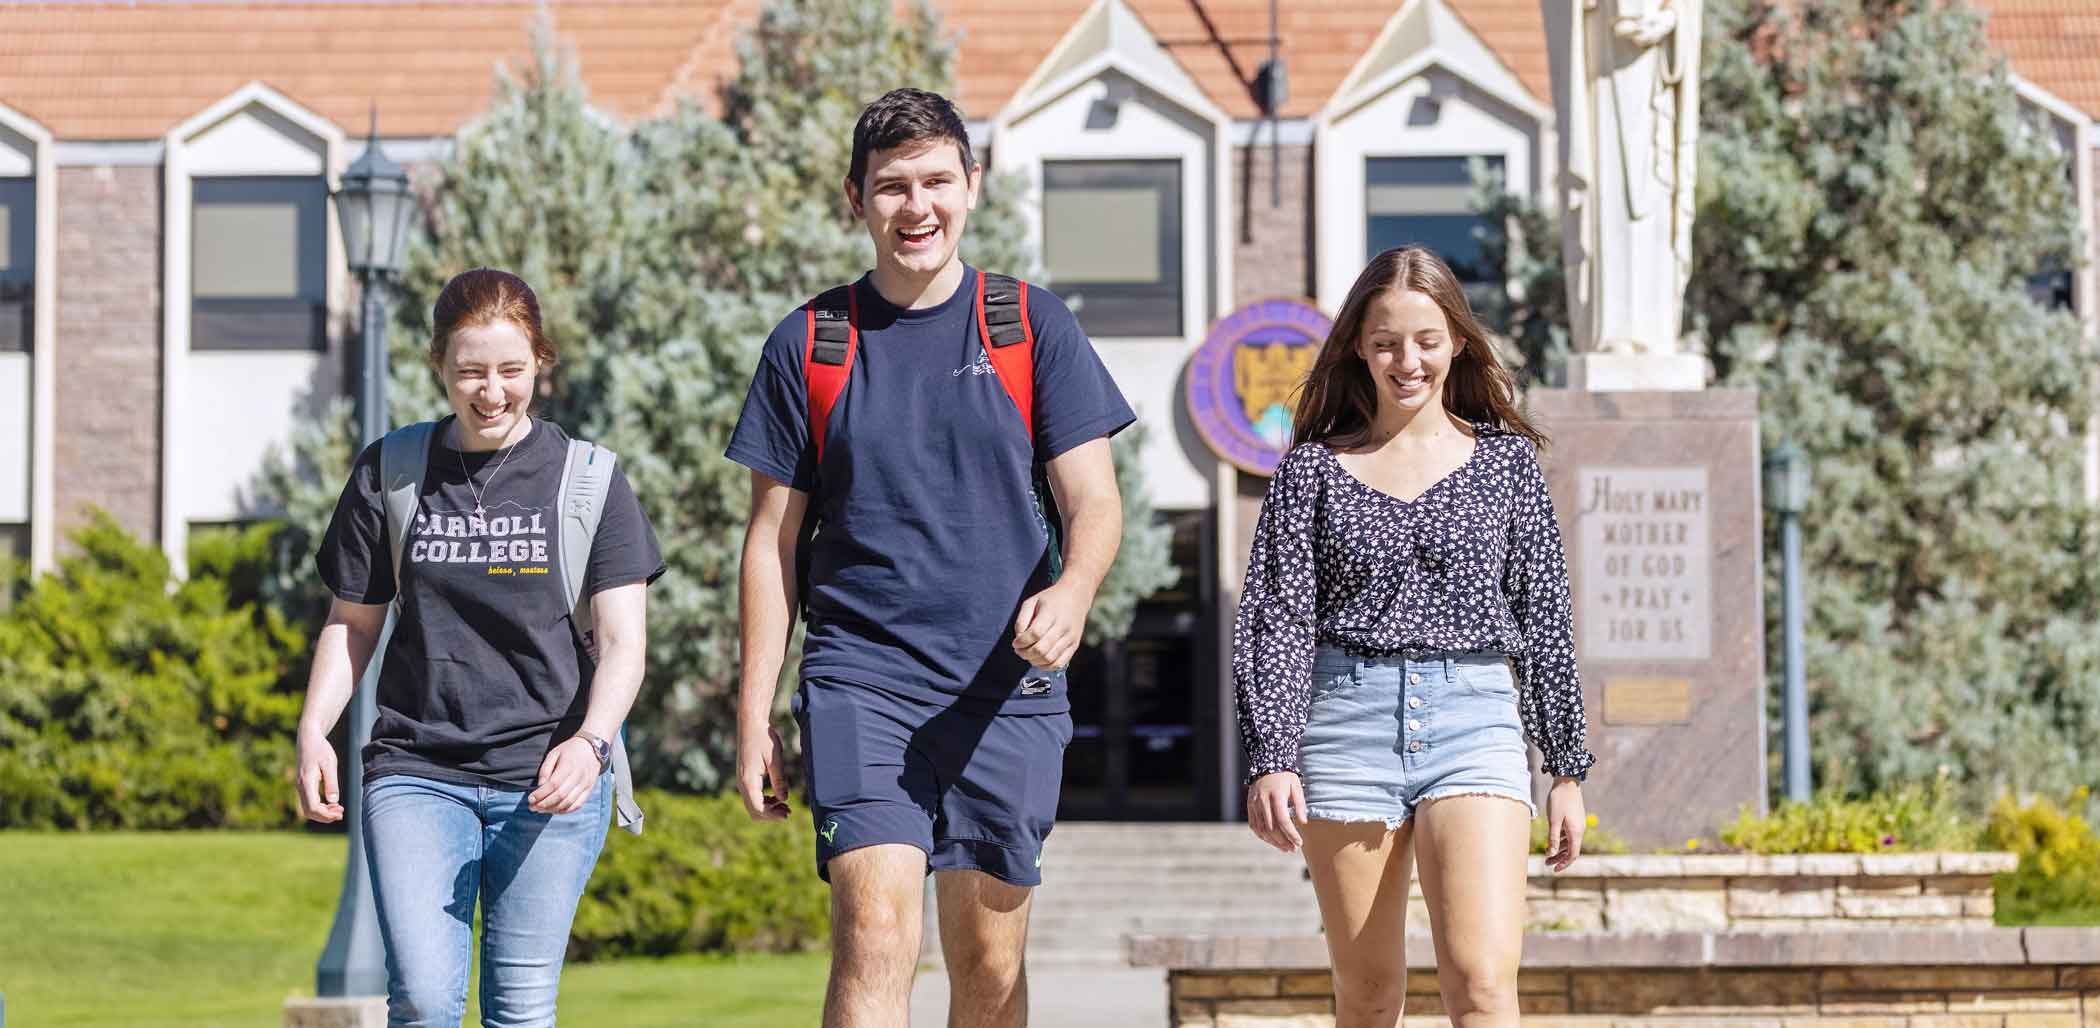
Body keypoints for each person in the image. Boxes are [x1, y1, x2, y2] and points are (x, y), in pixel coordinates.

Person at [727, 87, 1133, 1028]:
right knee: (874, 937)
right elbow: (770, 544)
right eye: (892, 187)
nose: (918, 207)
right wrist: (753, 714)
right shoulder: (809, 344)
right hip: (862, 679)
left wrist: (1073, 590)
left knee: (988, 966)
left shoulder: (1031, 326)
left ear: (973, 186)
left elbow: (1094, 502)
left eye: (937, 182)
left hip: (1008, 687)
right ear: (856, 198)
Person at [294, 268, 665, 1028]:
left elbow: (625, 642)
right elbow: (351, 623)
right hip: (417, 771)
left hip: (551, 778)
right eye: (469, 372)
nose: (490, 392)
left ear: (540, 364)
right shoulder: (393, 472)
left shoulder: (588, 481)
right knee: (425, 1001)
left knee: (520, 1011)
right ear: (439, 367)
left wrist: (592, 743)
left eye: (509, 370)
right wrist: (313, 729)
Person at [1234, 247, 1595, 1028]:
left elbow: (1546, 616)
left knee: (1482, 984)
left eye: (1427, 339)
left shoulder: (1506, 467)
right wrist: (1272, 756)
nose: (1408, 360)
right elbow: (1277, 618)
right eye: (1387, 341)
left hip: (1476, 720)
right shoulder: (1312, 471)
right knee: (1368, 999)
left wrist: (1566, 767)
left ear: (1458, 341)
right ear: (1359, 348)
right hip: (1346, 725)